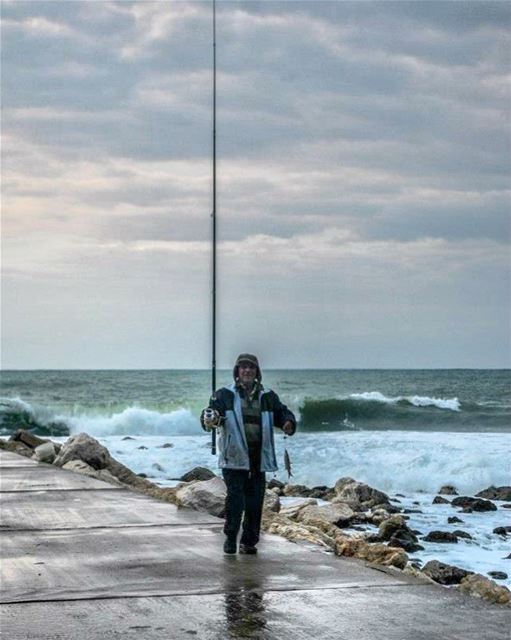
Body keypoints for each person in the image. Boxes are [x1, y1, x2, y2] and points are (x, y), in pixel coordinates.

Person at [201, 353, 296, 555]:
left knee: (255, 502)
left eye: (251, 367)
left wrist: (289, 423)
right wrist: (209, 418)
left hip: (258, 458)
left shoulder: (268, 396)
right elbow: (210, 416)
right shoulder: (223, 395)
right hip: (234, 457)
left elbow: (282, 414)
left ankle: (249, 542)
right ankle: (230, 538)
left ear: (257, 372)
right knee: (235, 500)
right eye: (243, 367)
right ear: (237, 372)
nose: (247, 370)